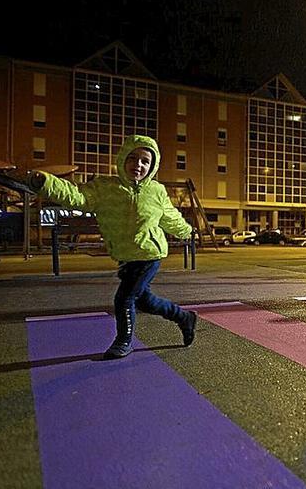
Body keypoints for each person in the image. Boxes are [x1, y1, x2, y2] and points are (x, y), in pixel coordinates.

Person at [28, 135, 197, 359]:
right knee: (144, 300)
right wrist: (47, 183)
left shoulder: (156, 191)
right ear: (122, 159)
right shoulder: (106, 188)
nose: (138, 165)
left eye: (145, 161)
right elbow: (77, 197)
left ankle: (123, 341)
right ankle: (184, 317)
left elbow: (170, 217)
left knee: (124, 298)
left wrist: (188, 231)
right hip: (126, 256)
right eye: (133, 158)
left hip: (149, 254)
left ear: (152, 166)